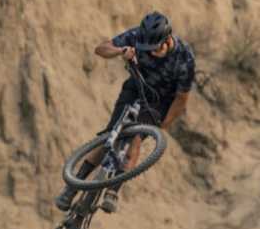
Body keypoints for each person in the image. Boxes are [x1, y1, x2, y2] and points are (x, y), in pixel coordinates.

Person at [55, 11, 195, 214]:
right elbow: (101, 49)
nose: (151, 53)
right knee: (108, 136)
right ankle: (72, 187)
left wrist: (161, 127)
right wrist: (121, 51)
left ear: (167, 40)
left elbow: (181, 100)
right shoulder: (138, 35)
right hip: (135, 88)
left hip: (159, 101)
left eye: (154, 49)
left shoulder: (184, 58)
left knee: (135, 138)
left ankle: (113, 191)